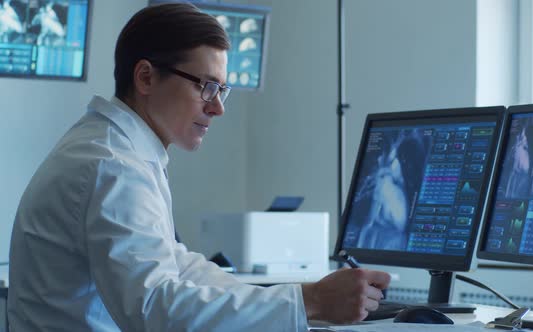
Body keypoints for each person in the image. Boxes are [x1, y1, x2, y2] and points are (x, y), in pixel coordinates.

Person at [8, 3, 391, 331]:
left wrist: (298, 299)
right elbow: (156, 309)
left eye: (221, 90)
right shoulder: (112, 166)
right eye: (206, 86)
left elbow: (178, 266)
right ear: (145, 77)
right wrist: (309, 302)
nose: (217, 107)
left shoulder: (119, 150)